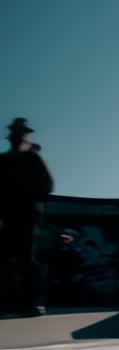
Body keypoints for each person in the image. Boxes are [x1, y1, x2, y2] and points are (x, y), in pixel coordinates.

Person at [0, 118, 55, 316]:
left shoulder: (32, 159)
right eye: (15, 133)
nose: (17, 137)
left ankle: (30, 302)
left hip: (27, 215)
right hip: (7, 216)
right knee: (5, 258)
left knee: (26, 258)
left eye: (20, 133)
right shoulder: (3, 161)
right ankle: (9, 302)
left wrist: (27, 196)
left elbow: (47, 185)